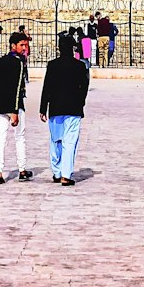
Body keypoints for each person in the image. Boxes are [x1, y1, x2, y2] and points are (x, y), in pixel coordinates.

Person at [39, 32, 90, 186]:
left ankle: (57, 171)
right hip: (74, 109)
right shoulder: (80, 66)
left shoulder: (52, 65)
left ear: (59, 48)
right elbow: (84, 88)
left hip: (55, 108)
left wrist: (43, 108)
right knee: (70, 142)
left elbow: (46, 87)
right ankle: (66, 175)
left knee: (56, 140)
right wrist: (81, 103)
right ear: (73, 49)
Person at [0, 32, 32, 184]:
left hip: (1, 105)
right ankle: (22, 170)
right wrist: (14, 111)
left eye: (26, 45)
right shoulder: (18, 62)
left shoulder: (0, 61)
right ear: (13, 45)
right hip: (14, 106)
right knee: (19, 137)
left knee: (0, 138)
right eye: (22, 45)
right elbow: (16, 88)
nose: (24, 48)